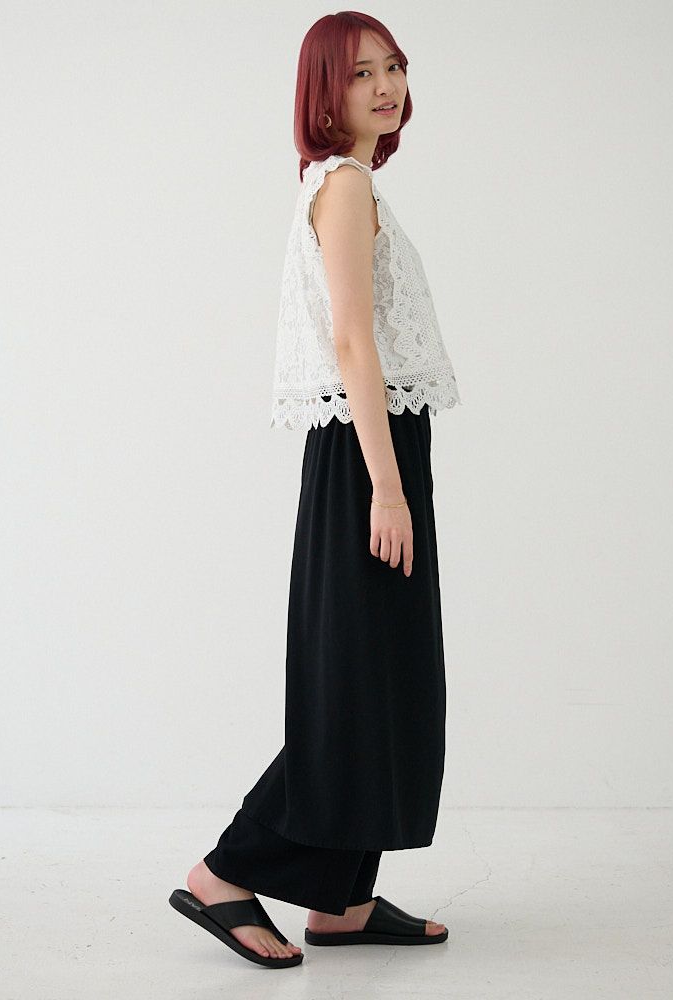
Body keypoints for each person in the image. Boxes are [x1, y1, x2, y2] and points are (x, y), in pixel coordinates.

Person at [169, 11, 462, 968]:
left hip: (377, 444)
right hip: (363, 455)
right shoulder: (343, 186)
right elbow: (351, 341)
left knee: (383, 681)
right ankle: (225, 872)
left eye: (393, 66)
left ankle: (341, 900)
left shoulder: (353, 184)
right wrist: (387, 487)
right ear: (324, 93)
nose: (385, 86)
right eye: (360, 73)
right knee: (354, 693)